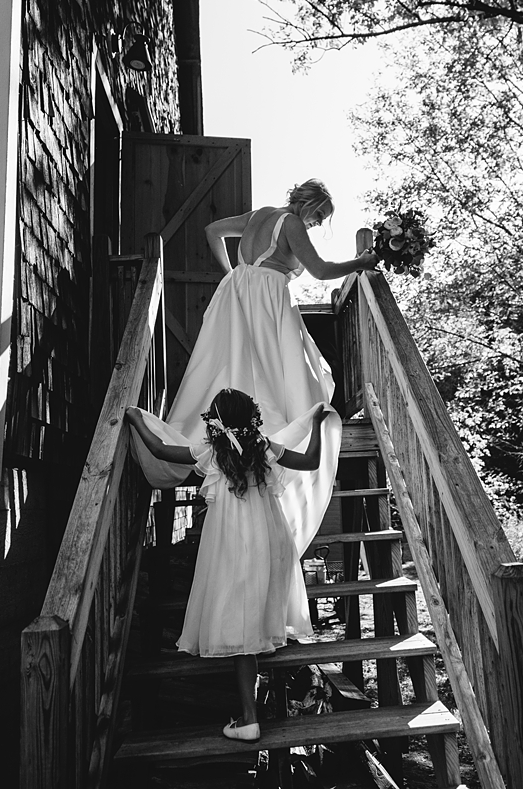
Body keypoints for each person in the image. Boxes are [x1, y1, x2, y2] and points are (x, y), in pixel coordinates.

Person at [129, 179, 377, 588]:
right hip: (266, 295)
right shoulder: (292, 224)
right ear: (309, 205)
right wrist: (360, 264)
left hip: (238, 290)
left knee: (231, 361)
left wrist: (234, 274)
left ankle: (223, 424)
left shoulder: (260, 214)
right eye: (319, 216)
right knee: (275, 363)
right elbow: (319, 271)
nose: (315, 224)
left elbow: (212, 232)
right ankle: (282, 426)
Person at [126, 390, 334, 741]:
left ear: (216, 421)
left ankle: (250, 718)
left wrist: (136, 420)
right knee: (252, 614)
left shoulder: (210, 452)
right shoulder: (265, 448)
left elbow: (161, 450)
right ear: (252, 417)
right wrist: (314, 423)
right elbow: (312, 460)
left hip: (229, 545)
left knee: (239, 622)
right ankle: (252, 710)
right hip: (268, 541)